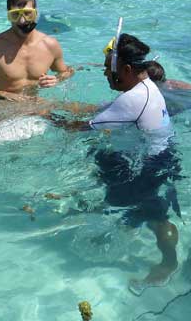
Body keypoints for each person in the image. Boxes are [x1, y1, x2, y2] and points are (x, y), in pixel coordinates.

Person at [49, 32, 181, 289]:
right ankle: (113, 211)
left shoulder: (133, 98)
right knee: (100, 158)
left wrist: (48, 117)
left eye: (109, 69)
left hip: (149, 166)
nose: (105, 74)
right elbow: (105, 113)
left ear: (127, 70)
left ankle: (168, 263)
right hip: (158, 155)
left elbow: (78, 128)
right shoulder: (146, 86)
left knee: (157, 218)